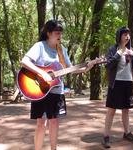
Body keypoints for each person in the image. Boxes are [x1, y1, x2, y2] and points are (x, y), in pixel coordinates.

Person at [21, 19, 94, 150]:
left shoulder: (62, 50)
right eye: (56, 32)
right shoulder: (39, 46)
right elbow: (24, 61)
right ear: (48, 33)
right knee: (41, 123)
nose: (59, 35)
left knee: (54, 122)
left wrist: (87, 67)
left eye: (60, 33)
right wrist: (41, 73)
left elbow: (71, 69)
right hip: (40, 90)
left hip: (57, 90)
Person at [102, 27, 133, 148]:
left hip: (128, 82)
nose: (127, 37)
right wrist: (119, 53)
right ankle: (106, 137)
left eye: (128, 35)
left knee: (126, 109)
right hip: (116, 83)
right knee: (111, 110)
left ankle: (127, 133)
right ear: (119, 36)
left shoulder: (130, 49)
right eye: (124, 34)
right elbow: (108, 65)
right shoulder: (113, 49)